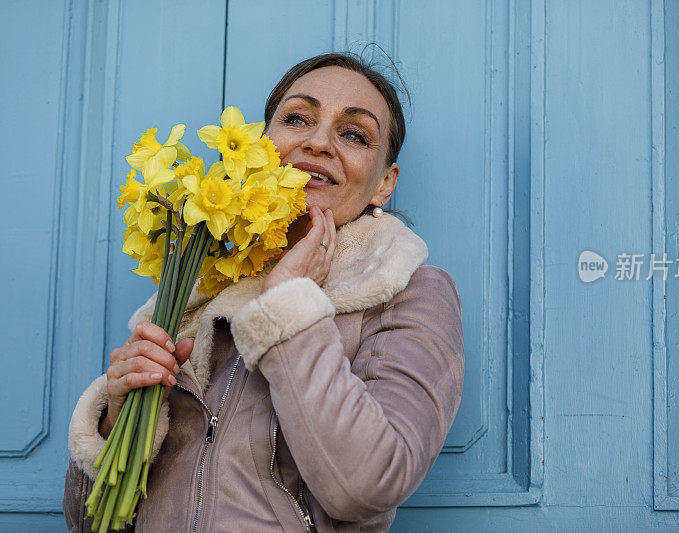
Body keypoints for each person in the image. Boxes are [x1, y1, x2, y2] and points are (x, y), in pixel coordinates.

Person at [63, 52, 465, 532]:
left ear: (384, 184)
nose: (318, 142)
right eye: (297, 118)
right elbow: (89, 525)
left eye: (354, 134)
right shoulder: (196, 295)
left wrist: (288, 305)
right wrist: (116, 419)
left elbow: (368, 484)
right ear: (260, 146)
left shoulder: (408, 293)